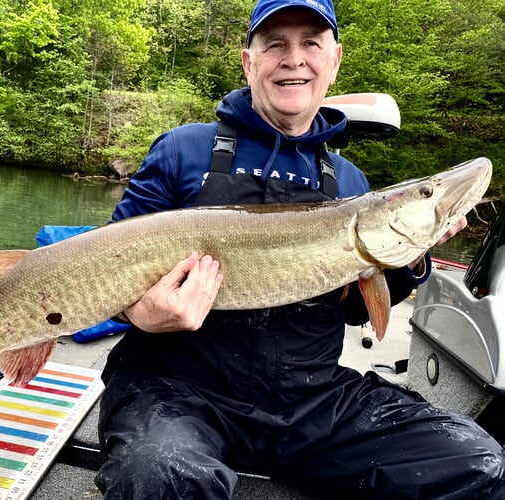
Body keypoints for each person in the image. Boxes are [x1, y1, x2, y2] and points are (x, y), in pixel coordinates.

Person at [94, 0, 505, 498]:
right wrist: (141, 313)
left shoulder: (350, 181)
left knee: (474, 460)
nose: (294, 59)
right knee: (164, 474)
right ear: (249, 62)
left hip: (309, 400)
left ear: (333, 61)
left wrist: (413, 254)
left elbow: (356, 309)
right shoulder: (183, 150)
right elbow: (103, 270)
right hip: (175, 389)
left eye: (311, 43)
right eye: (275, 45)